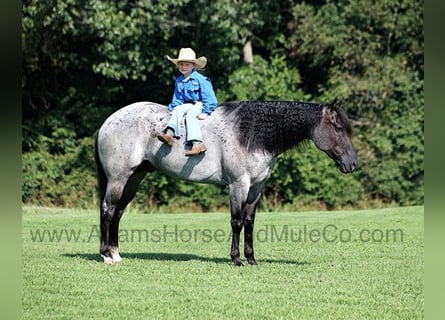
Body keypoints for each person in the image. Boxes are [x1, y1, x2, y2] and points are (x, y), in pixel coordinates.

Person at [157, 47, 218, 156]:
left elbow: (210, 98)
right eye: (181, 64)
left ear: (193, 66)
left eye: (187, 65)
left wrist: (206, 111)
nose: (183, 67)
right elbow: (178, 98)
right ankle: (169, 134)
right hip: (188, 104)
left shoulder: (200, 79)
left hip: (200, 104)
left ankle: (197, 143)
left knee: (190, 116)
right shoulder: (179, 80)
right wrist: (173, 108)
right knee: (178, 109)